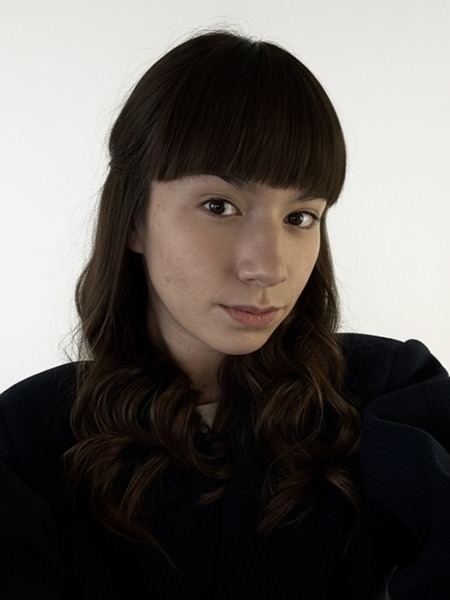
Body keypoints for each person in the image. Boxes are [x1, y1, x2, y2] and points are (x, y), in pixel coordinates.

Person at [0, 29, 449, 600]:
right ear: (133, 219)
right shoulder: (25, 440)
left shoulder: (391, 395)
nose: (269, 267)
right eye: (219, 206)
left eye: (301, 217)